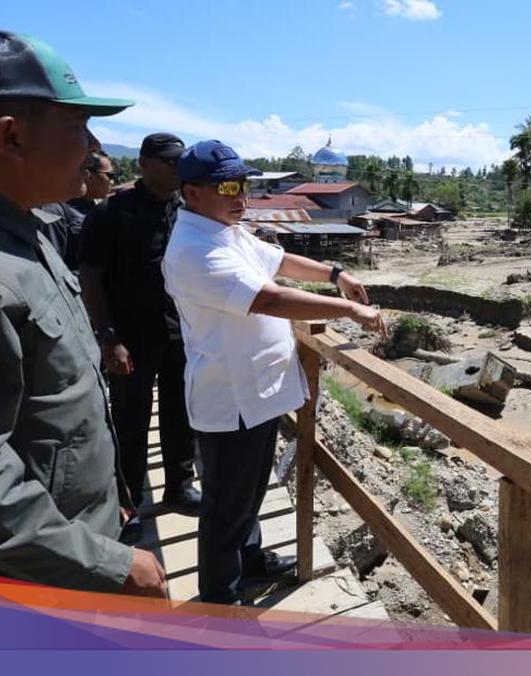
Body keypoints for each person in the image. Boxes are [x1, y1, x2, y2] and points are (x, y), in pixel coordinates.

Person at [0, 27, 166, 597]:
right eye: (78, 126)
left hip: (62, 554)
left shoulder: (21, 228)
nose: (94, 149)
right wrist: (105, 565)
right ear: (10, 137)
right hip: (23, 584)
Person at [162, 140, 386, 604]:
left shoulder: (227, 231)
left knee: (251, 491)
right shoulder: (194, 250)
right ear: (192, 192)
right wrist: (348, 309)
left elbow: (279, 261)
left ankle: (251, 560)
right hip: (232, 399)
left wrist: (334, 272)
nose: (239, 194)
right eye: (227, 185)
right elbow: (270, 298)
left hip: (257, 393)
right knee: (226, 507)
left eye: (242, 183)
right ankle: (221, 600)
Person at [79, 133, 201, 533]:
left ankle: (180, 487)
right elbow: (91, 277)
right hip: (130, 337)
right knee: (130, 420)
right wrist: (108, 336)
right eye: (168, 162)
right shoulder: (113, 213)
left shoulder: (189, 209)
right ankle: (129, 500)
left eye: (179, 162)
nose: (176, 168)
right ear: (145, 164)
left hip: (181, 332)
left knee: (180, 412)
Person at [68, 149, 114, 216]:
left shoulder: (94, 207)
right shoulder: (66, 214)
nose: (112, 182)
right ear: (89, 175)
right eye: (110, 175)